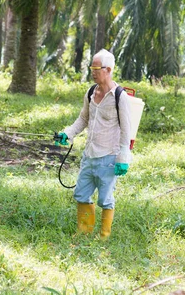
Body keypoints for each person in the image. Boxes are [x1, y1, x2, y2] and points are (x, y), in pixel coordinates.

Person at [56, 49, 132, 240]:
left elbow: (126, 129)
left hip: (108, 157)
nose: (92, 71)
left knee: (105, 200)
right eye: (92, 67)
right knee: (81, 194)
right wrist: (69, 133)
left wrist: (123, 156)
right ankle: (84, 232)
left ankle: (104, 236)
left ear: (108, 69)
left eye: (96, 68)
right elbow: (83, 118)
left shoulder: (119, 96)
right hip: (89, 156)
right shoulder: (91, 92)